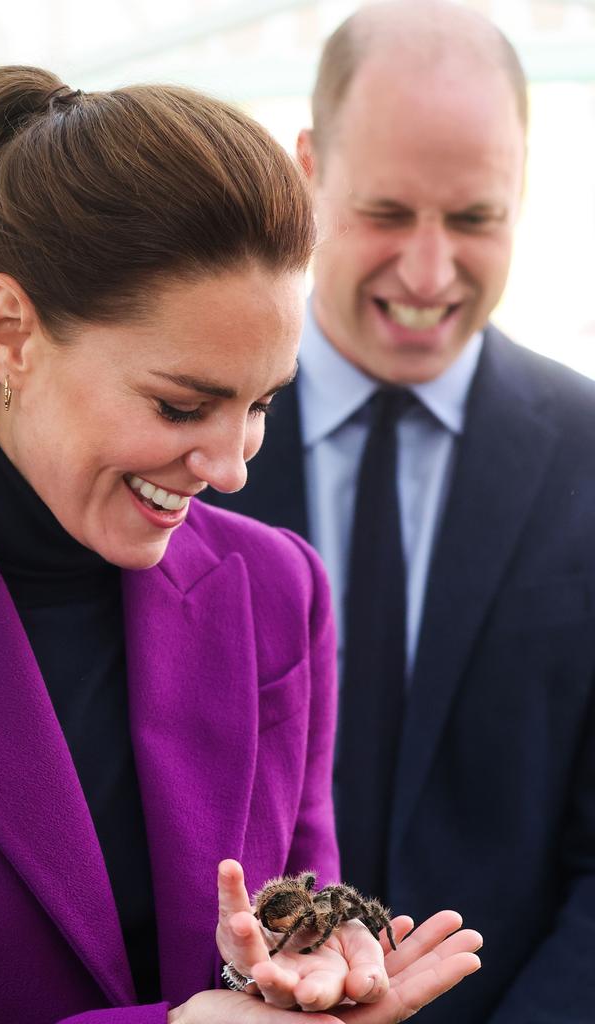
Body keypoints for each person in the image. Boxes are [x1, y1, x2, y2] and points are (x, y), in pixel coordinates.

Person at [0, 65, 481, 1024]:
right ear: (11, 334)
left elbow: (295, 914)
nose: (230, 469)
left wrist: (308, 984)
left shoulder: (277, 589)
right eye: (182, 404)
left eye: (260, 404)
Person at [203, 2, 595, 1022]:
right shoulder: (177, 443)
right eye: (385, 213)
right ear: (308, 173)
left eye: (473, 219)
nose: (428, 273)